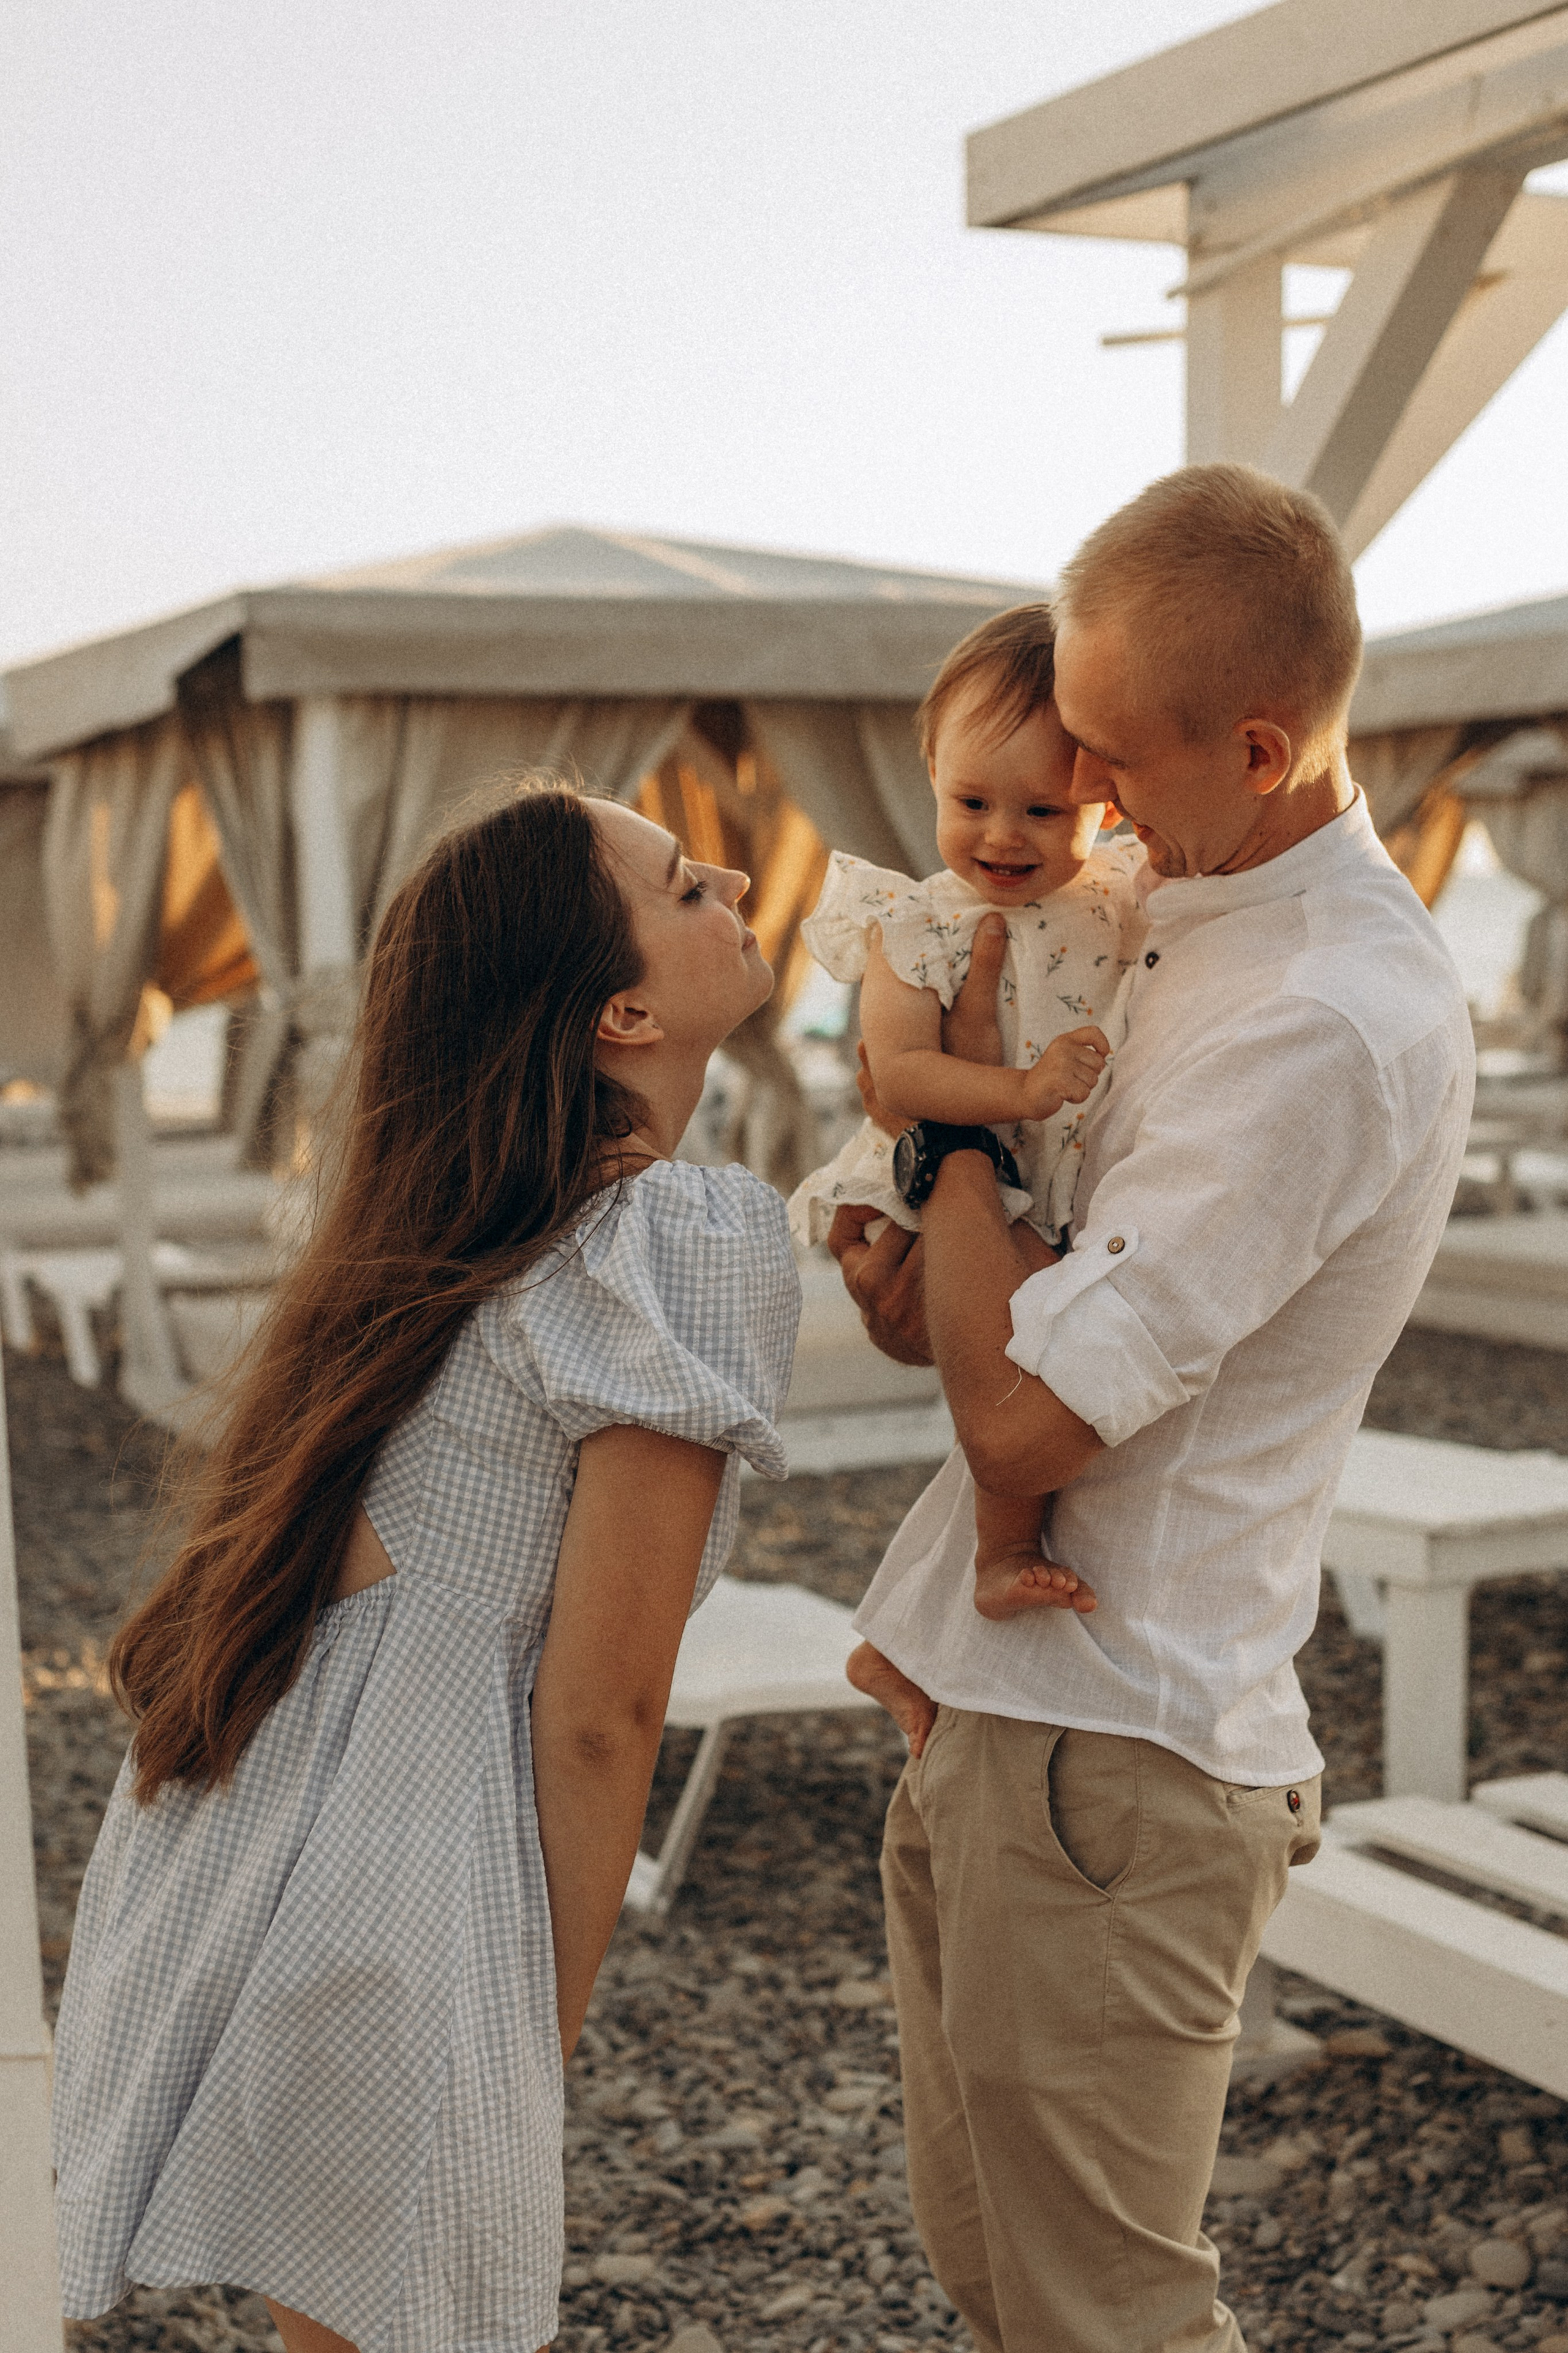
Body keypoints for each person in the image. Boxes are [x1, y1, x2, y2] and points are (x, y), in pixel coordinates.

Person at [833, 463, 1475, 2353]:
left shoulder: (1322, 1019)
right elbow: (985, 1344)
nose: (1080, 794)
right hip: (1003, 1713)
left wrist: (954, 1128)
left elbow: (1026, 1428)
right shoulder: (1157, 910)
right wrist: (924, 1268)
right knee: (1003, 2291)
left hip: (1115, 1758)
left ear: (1260, 746)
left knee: (1107, 2321)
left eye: (1110, 756)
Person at [50, 783, 800, 2353]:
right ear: (620, 1011)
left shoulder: (457, 1235)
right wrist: (536, 2034)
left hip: (256, 1824)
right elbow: (602, 1711)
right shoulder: (667, 1234)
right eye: (681, 882)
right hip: (407, 1864)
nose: (732, 875)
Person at [790, 606, 1141, 1621]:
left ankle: (914, 1621)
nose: (1002, 834)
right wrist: (1016, 1093)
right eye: (973, 800)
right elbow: (899, 1075)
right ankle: (999, 1554)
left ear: (1104, 802)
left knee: (1047, 1357)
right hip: (960, 1171)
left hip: (1058, 1178)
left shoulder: (1125, 895)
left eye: (1043, 810)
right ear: (933, 774)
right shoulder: (916, 922)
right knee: (1022, 1354)